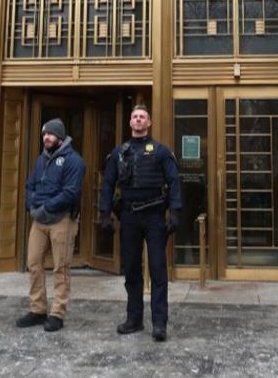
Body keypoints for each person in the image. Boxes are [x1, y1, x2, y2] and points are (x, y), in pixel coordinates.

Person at [98, 104, 182, 342]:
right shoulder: (119, 153)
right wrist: (104, 213)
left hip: (154, 217)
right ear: (130, 122)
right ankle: (134, 319)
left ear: (149, 122)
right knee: (132, 270)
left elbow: (174, 181)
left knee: (157, 269)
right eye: (134, 116)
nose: (138, 120)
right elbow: (108, 183)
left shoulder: (161, 151)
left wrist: (174, 212)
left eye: (142, 116)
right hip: (129, 217)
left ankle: (159, 323)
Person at [16, 118, 85, 332]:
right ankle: (37, 309)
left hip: (62, 219)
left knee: (60, 268)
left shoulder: (74, 161)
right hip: (39, 220)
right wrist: (32, 205)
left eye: (51, 134)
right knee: (33, 263)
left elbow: (70, 193)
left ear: (60, 137)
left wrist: (45, 207)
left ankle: (57, 313)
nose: (46, 137)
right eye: (44, 134)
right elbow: (30, 185)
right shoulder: (41, 159)